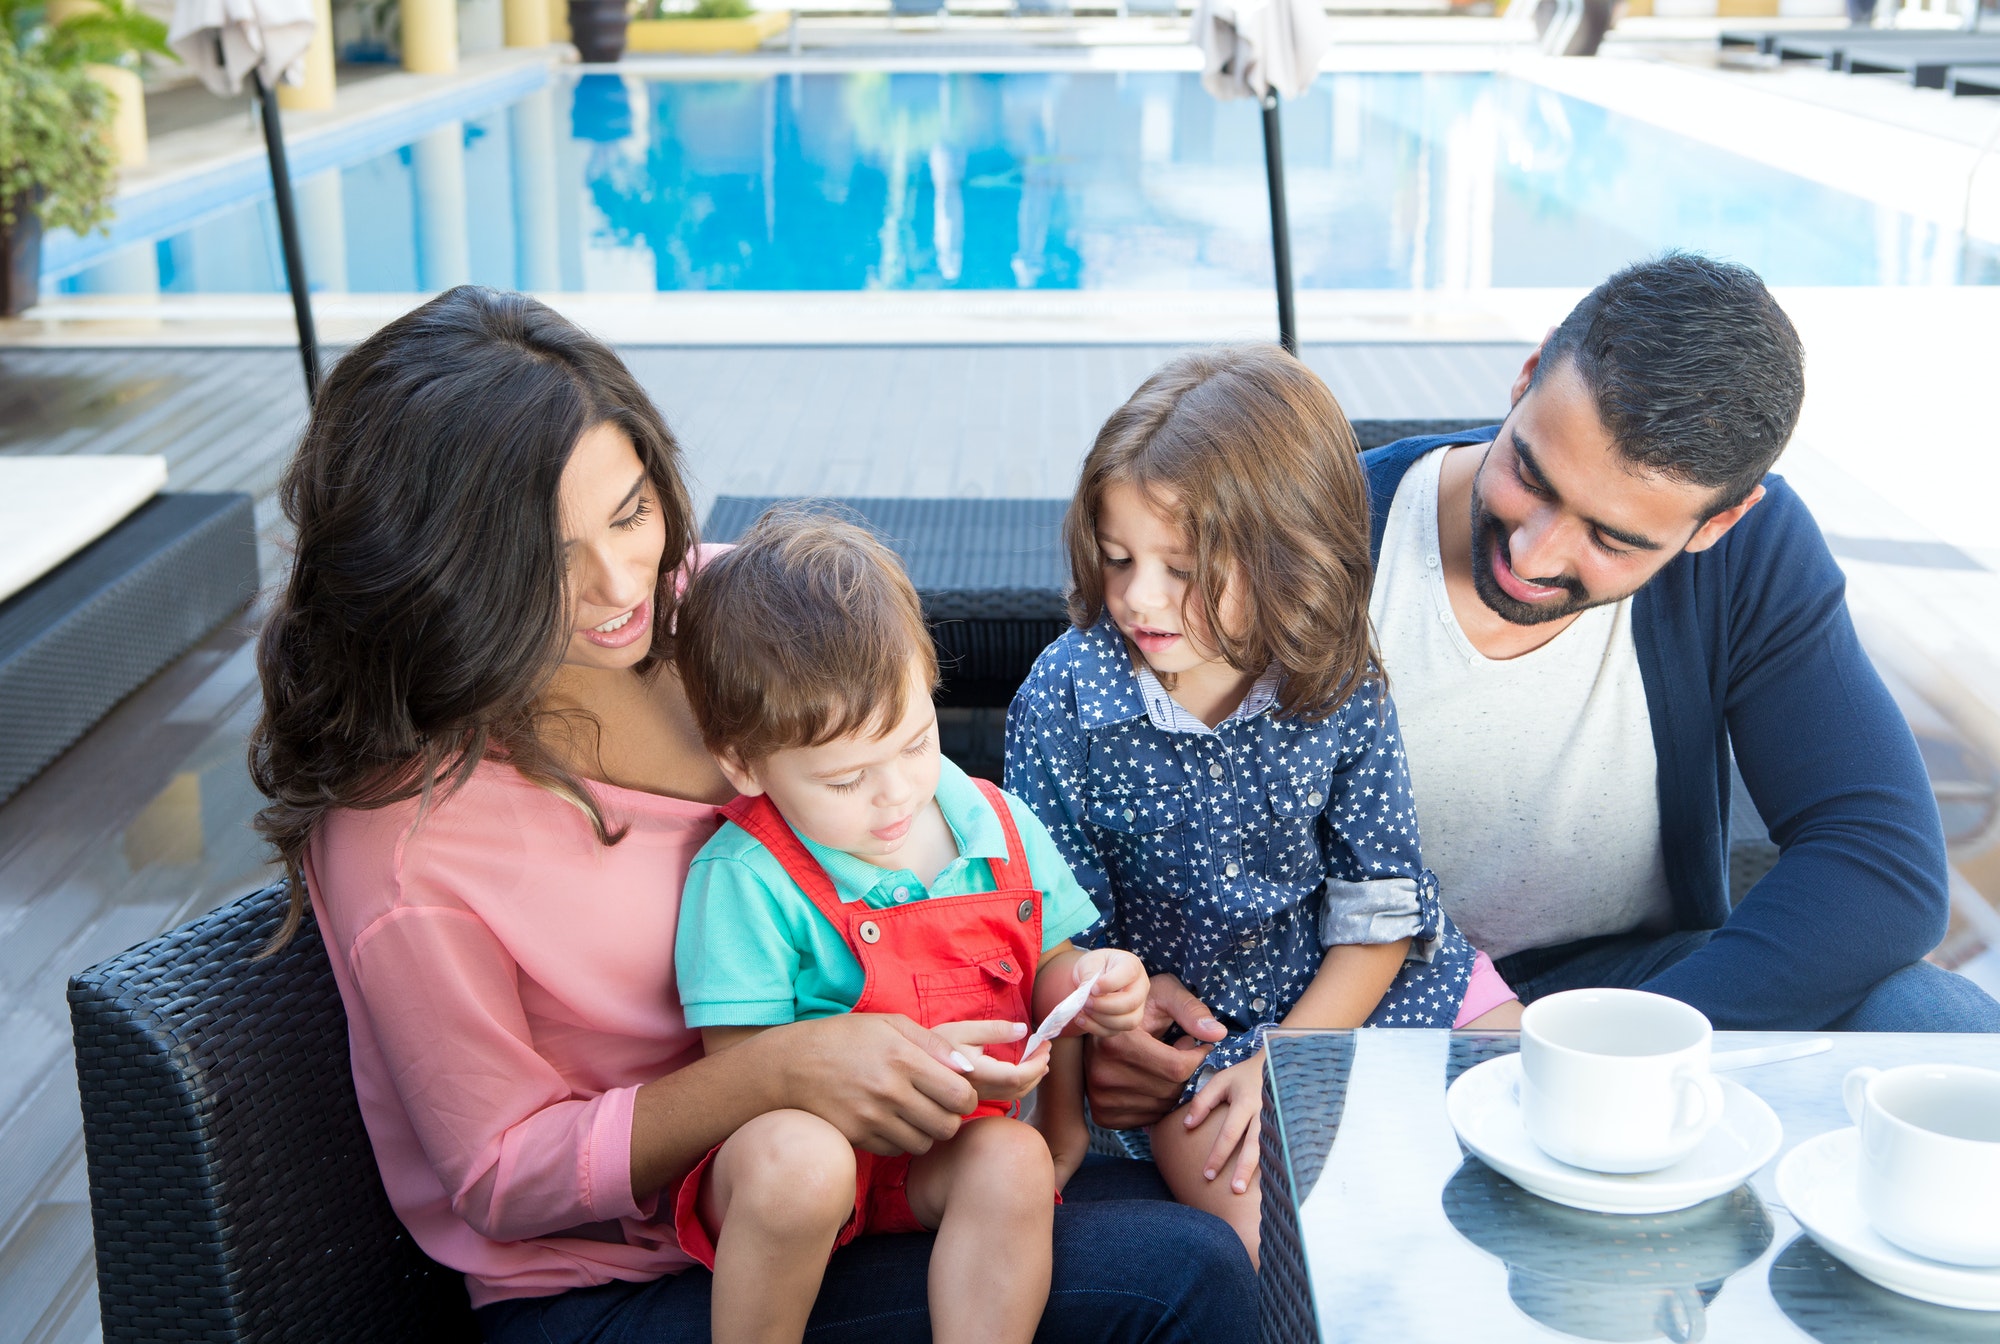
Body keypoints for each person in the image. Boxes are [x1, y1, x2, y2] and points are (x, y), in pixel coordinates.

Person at [248, 285, 1256, 1344]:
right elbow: (501, 1178)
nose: (621, 584)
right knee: (1185, 1279)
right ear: (435, 575)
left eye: (631, 511)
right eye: (545, 559)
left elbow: (917, 811)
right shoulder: (405, 843)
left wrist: (1063, 999)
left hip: (897, 1166)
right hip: (636, 1278)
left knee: (1222, 1224)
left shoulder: (729, 613)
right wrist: (777, 1072)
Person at [1358, 253, 2000, 1034]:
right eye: (1532, 476)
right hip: (1353, 990)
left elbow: (1880, 859)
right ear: (1527, 375)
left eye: (1612, 538)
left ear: (1717, 525)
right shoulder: (1321, 532)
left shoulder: (1748, 552)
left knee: (1935, 1017)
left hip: (1625, 993)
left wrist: (1616, 1049)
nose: (1534, 553)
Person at [1004, 345, 1521, 1266]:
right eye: (1118, 558)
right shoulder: (1065, 697)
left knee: (1541, 1124)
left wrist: (1294, 1056)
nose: (1138, 597)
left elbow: (1382, 903)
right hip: (1196, 1040)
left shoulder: (1336, 676)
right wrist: (1072, 1110)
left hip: (1366, 988)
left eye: (1184, 568)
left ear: (1290, 556)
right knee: (1287, 1260)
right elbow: (1045, 928)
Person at [670, 509, 1149, 1344]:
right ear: (744, 764)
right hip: (801, 1160)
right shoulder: (746, 876)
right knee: (799, 1165)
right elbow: (739, 1077)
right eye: (847, 779)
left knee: (1013, 1160)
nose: (896, 793)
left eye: (917, 740)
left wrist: (1088, 983)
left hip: (941, 1155)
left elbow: (1049, 961)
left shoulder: (995, 826)